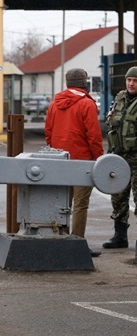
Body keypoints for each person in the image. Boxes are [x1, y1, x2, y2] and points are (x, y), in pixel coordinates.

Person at [45, 68, 103, 257]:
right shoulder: (87, 104)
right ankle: (77, 244)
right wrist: (99, 158)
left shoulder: (55, 104)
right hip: (82, 161)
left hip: (60, 161)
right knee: (80, 204)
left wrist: (56, 151)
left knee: (61, 202)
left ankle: (59, 239)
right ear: (83, 83)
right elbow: (93, 135)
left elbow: (48, 132)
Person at [102, 66, 137, 250]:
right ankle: (120, 236)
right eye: (129, 80)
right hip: (119, 156)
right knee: (118, 197)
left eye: (135, 81)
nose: (131, 84)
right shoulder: (120, 98)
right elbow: (113, 125)